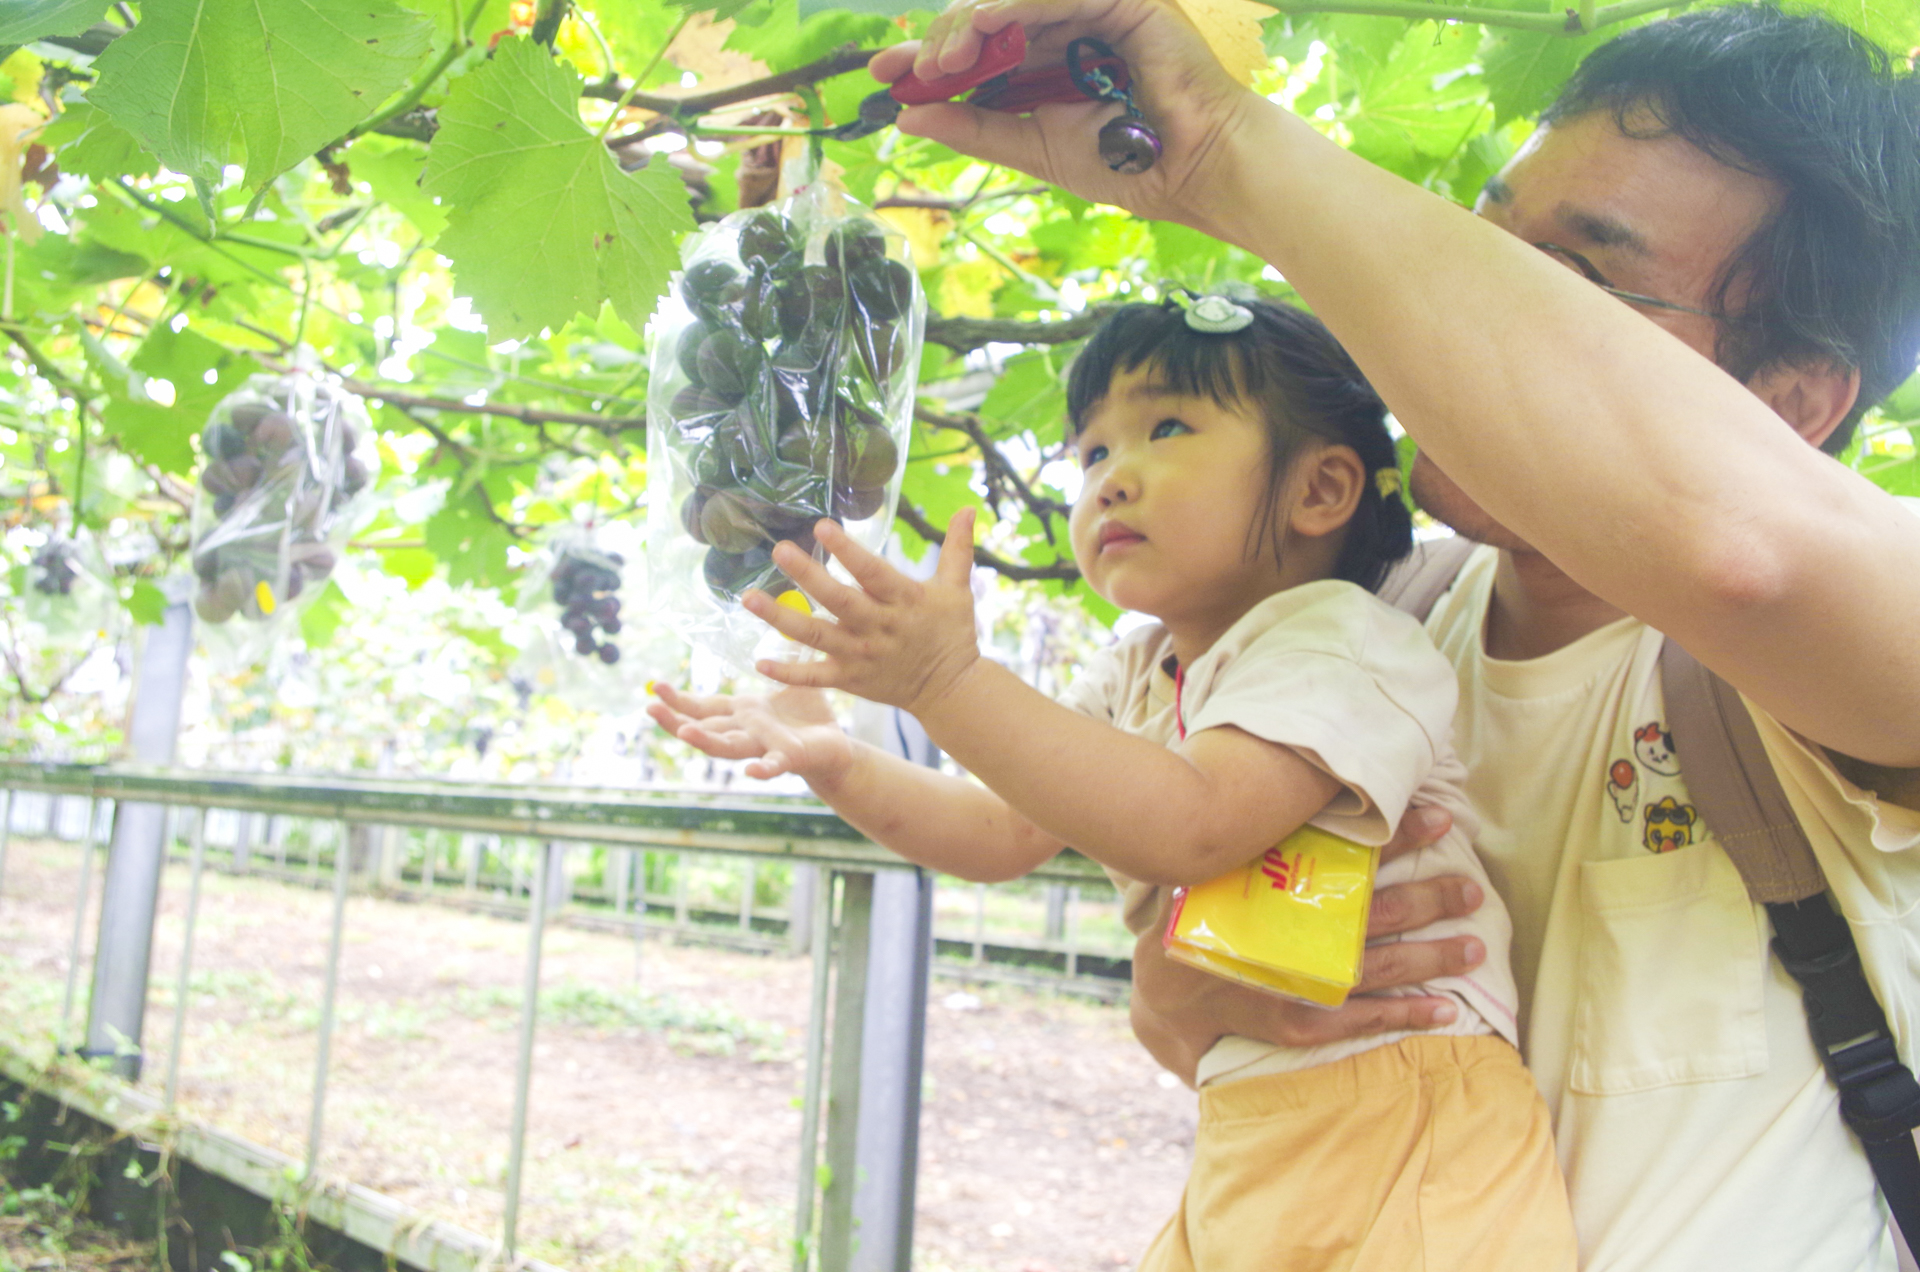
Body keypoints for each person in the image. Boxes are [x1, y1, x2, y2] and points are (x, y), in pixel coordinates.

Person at [867, 1, 1920, 1268]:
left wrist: (1219, 155)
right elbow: (1196, 1002)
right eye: (1478, 243)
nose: (1447, 317)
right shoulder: (1359, 631)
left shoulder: (1860, 650)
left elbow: (1741, 559)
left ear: (1785, 403)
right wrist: (1179, 991)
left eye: (1565, 286)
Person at [650, 296, 1577, 1268]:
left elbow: (1195, 824)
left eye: (1166, 429)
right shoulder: (1137, 673)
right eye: (1091, 455)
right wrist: (837, 760)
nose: (1109, 480)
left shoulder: (1340, 642)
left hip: (1404, 1114)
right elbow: (1000, 833)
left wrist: (942, 682)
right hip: (1260, 1113)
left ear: (1321, 490)